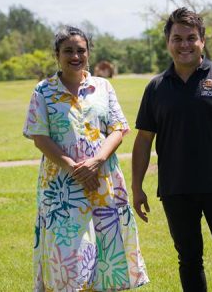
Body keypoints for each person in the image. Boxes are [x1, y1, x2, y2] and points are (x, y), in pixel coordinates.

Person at [131, 7, 212, 292]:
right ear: (168, 42)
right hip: (176, 189)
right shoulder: (156, 88)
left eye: (191, 38)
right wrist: (137, 187)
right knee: (189, 260)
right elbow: (143, 140)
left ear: (202, 40)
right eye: (177, 38)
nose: (184, 45)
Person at [23, 26, 149, 291]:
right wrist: (74, 168)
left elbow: (118, 128)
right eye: (68, 51)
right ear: (57, 55)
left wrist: (96, 162)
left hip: (103, 180)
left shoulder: (102, 87)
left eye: (80, 50)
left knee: (106, 251)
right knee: (68, 256)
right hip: (62, 188)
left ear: (88, 53)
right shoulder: (43, 91)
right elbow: (39, 136)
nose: (75, 56)